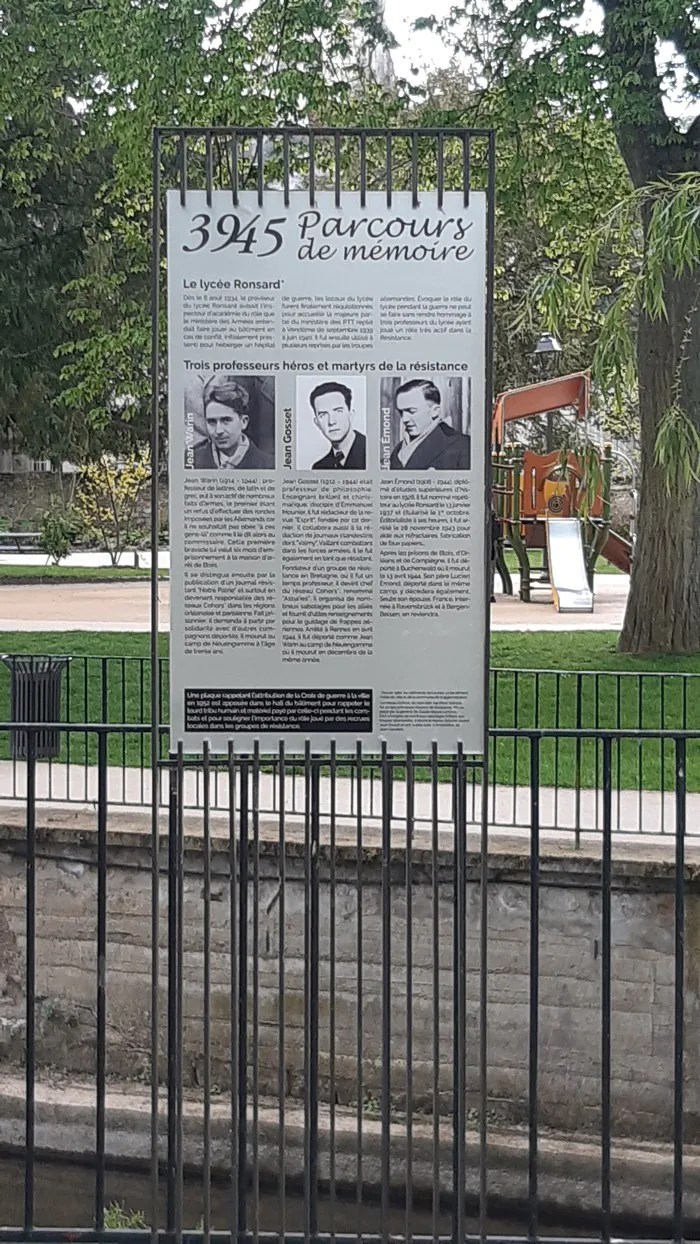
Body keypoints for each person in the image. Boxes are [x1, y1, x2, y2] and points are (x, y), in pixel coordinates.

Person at [193, 377, 274, 469]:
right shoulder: (192, 460)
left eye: (226, 420)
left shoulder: (269, 465)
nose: (218, 431)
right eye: (212, 422)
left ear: (244, 422)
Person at [389, 379, 471, 470]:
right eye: (401, 412)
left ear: (435, 411)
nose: (404, 419)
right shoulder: (397, 452)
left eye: (411, 411)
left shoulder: (463, 447)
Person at [309, 381, 366, 470]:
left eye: (338, 411)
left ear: (351, 415)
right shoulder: (319, 468)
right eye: (323, 415)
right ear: (317, 423)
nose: (331, 421)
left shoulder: (373, 452)